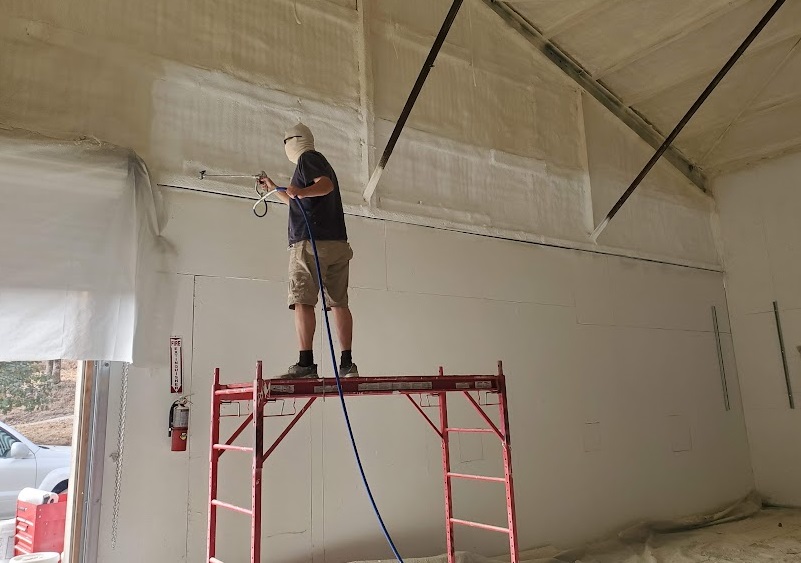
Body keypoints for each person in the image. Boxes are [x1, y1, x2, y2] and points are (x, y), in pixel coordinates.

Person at [259, 123, 358, 379]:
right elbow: (298, 201)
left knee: (302, 299)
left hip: (311, 244)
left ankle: (306, 365)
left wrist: (301, 190)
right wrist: (275, 188)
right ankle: (347, 364)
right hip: (336, 244)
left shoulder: (308, 159)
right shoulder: (319, 162)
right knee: (338, 302)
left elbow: (324, 186)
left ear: (293, 141)